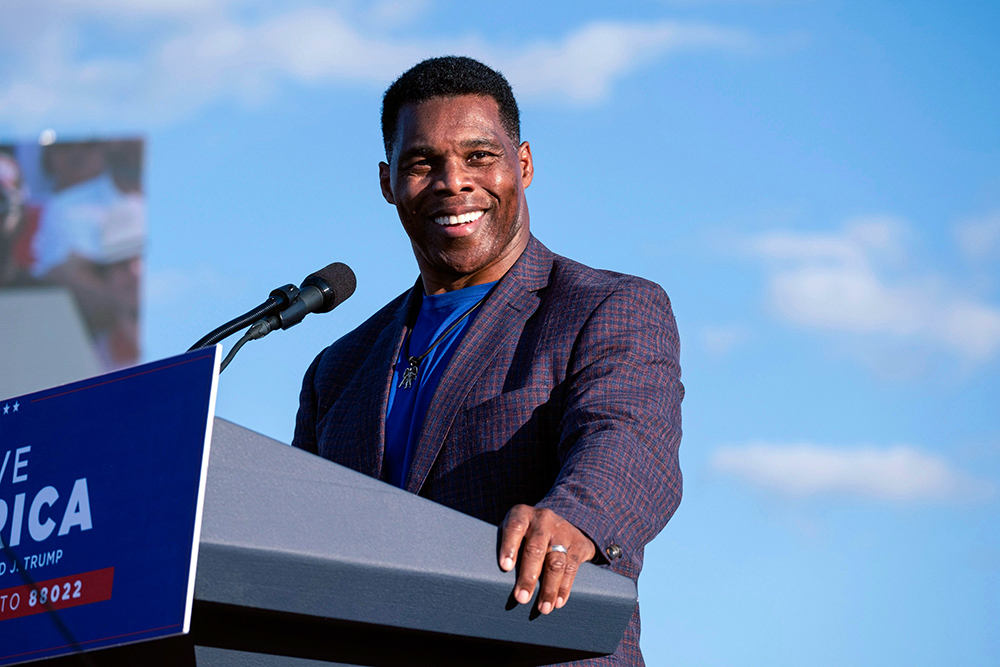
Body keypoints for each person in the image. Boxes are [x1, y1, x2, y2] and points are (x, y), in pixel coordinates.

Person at [293, 56, 683, 666]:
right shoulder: (337, 370)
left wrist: (575, 514)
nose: (454, 181)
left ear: (522, 166)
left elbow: (629, 438)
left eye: (480, 156)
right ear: (387, 182)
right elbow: (294, 546)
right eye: (423, 163)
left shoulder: (604, 307)